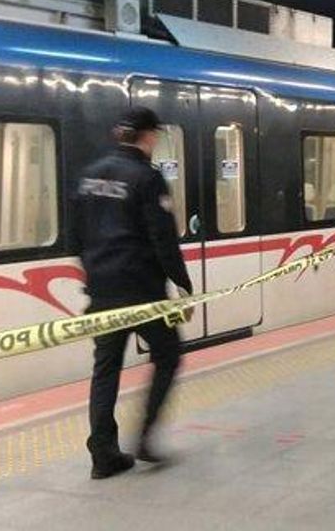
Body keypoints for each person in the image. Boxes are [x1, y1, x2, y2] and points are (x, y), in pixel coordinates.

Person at [73, 107, 192, 480]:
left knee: (105, 369)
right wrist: (183, 284)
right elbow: (162, 238)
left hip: (101, 291)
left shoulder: (89, 176)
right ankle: (145, 437)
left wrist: (93, 272)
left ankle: (103, 454)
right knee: (169, 356)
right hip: (143, 292)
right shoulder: (147, 178)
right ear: (149, 136)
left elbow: (75, 235)